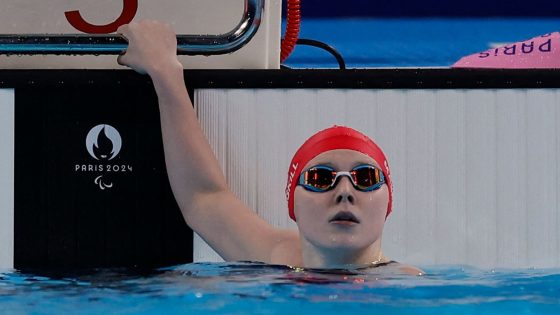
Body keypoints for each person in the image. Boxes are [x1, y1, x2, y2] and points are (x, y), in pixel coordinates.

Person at [116, 20, 421, 274]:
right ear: (293, 205)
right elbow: (203, 198)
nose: (344, 192)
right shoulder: (273, 256)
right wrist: (165, 72)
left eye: (366, 178)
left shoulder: (409, 287)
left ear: (388, 204)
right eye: (320, 179)